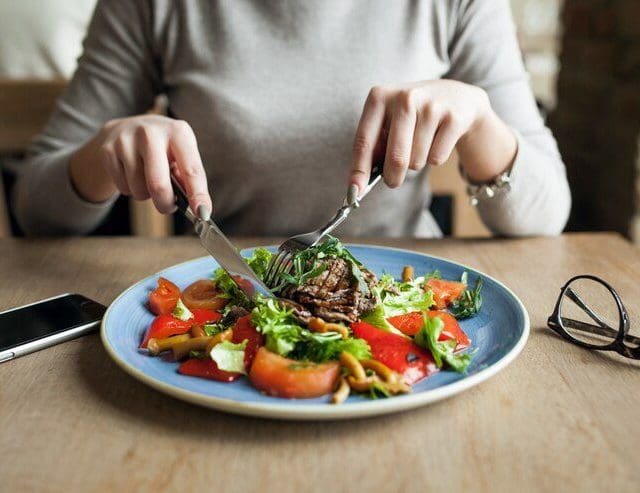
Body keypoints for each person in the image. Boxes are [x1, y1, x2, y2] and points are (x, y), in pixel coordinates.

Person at [12, 0, 570, 237]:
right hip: (223, 305)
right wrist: (105, 154)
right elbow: (36, 208)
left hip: (402, 312)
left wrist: (479, 124)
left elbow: (549, 213)